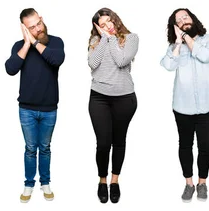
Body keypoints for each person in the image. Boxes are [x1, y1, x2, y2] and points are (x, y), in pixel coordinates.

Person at [4, 8, 65, 203]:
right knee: (30, 148)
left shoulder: (56, 42)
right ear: (24, 29)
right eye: (32, 27)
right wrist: (26, 44)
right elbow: (10, 69)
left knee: (45, 147)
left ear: (42, 19)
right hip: (27, 109)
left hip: (49, 109)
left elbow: (57, 60)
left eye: (38, 23)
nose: (37, 28)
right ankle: (29, 184)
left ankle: (45, 182)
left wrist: (35, 42)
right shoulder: (19, 46)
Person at [160, 8, 209, 202]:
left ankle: (202, 183)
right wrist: (178, 42)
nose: (183, 20)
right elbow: (168, 65)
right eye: (178, 20)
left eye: (185, 16)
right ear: (175, 27)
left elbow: (203, 56)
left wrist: (186, 37)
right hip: (182, 107)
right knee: (185, 146)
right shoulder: (174, 46)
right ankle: (189, 183)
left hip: (206, 105)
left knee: (205, 147)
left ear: (193, 19)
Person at [88, 7, 138, 204]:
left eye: (109, 21)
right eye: (102, 24)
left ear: (115, 20)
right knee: (102, 144)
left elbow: (121, 60)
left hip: (124, 98)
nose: (107, 26)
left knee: (119, 141)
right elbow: (93, 63)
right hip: (99, 98)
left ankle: (115, 181)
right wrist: (103, 39)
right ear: (97, 28)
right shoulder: (94, 41)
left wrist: (110, 38)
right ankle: (102, 180)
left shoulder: (131, 38)